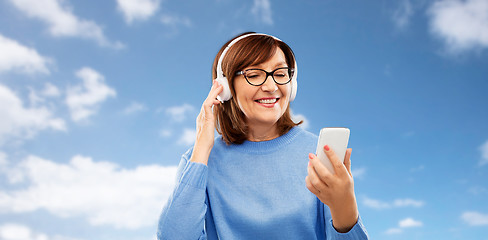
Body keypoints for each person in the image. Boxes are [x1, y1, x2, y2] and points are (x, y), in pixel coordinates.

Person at [157, 32, 369, 239]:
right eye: (254, 75)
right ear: (226, 86)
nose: (270, 86)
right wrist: (202, 149)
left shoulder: (319, 153)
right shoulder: (199, 161)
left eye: (280, 74)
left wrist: (345, 210)